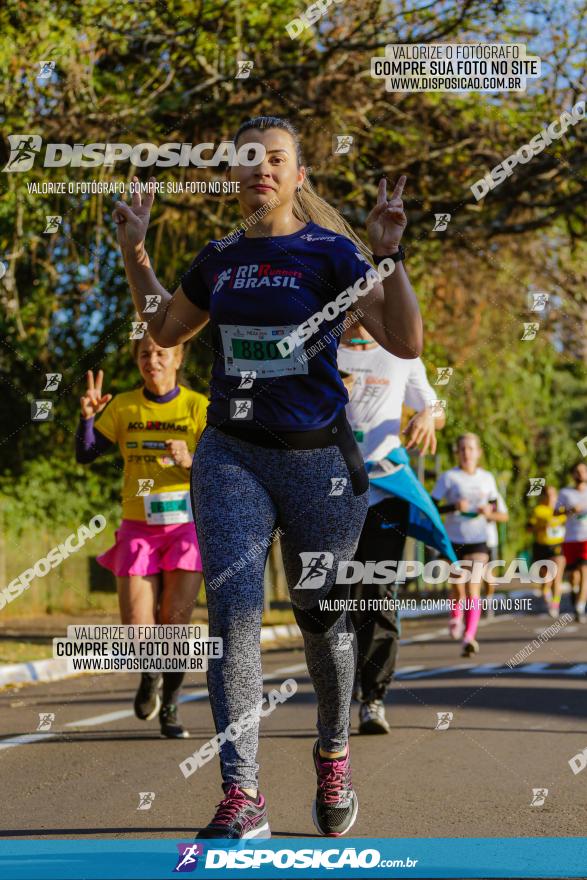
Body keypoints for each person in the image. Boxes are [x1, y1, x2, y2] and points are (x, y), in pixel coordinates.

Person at [112, 115, 423, 838]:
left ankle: (333, 750)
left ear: (297, 176)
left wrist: (388, 254)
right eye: (248, 159)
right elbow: (163, 329)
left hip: (319, 462)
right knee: (234, 618)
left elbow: (405, 340)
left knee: (323, 622)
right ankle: (242, 793)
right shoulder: (218, 259)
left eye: (275, 158)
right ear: (235, 177)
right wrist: (135, 251)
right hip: (231, 455)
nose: (261, 169)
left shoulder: (332, 253)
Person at [75, 336, 208, 737]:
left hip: (185, 527)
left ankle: (171, 705)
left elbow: (222, 472)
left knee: (174, 621)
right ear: (137, 361)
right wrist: (86, 418)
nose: (152, 360)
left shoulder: (198, 407)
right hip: (138, 527)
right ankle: (150, 674)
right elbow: (86, 454)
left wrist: (191, 460)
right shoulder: (125, 406)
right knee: (138, 625)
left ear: (178, 357)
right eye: (145, 354)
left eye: (161, 353)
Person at [338, 321, 447, 734]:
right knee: (333, 597)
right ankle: (337, 694)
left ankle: (373, 699)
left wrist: (425, 414)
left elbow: (437, 409)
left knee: (378, 595)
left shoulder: (402, 353)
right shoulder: (320, 349)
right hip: (332, 491)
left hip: (385, 493)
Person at [431, 434, 508, 657]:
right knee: (458, 587)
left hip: (479, 541)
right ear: (458, 452)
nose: (466, 453)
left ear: (478, 452)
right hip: (453, 541)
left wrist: (489, 512)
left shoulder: (487, 479)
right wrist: (453, 506)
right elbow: (431, 508)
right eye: (462, 449)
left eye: (471, 449)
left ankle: (469, 637)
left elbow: (502, 514)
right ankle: (456, 615)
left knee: (473, 586)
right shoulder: (448, 478)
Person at [527, 485, 566, 618]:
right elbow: (529, 528)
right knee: (545, 578)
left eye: (553, 494)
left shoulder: (561, 510)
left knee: (557, 577)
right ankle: (547, 596)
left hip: (558, 546)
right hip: (541, 546)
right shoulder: (538, 510)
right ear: (543, 496)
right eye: (547, 495)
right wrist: (541, 526)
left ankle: (555, 604)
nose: (550, 497)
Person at [555, 462, 587, 623]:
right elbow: (555, 511)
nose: (581, 474)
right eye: (577, 471)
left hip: (586, 539)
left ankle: (580, 608)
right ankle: (576, 598)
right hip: (570, 538)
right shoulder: (565, 493)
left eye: (583, 471)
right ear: (573, 474)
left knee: (584, 571)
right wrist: (570, 510)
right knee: (574, 576)